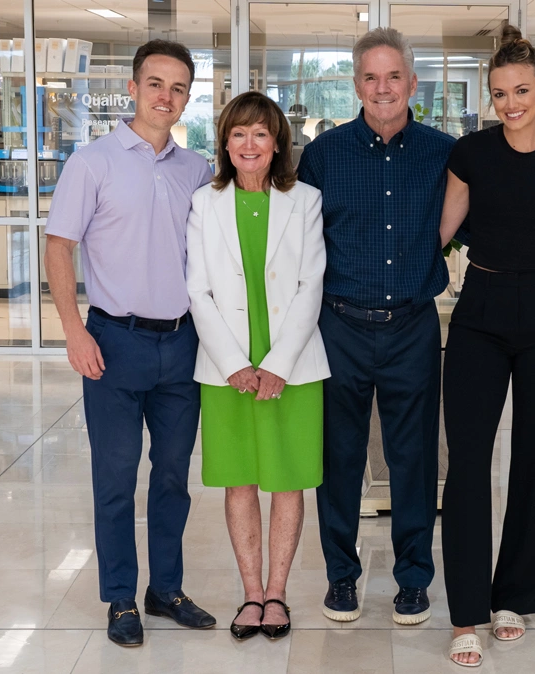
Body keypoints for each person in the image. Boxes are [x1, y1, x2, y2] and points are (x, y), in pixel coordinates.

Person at [43, 40, 216, 646]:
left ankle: (165, 589)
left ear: (187, 98)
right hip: (114, 341)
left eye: (178, 88)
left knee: (172, 477)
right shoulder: (92, 163)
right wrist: (73, 330)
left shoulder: (197, 170)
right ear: (133, 88)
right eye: (155, 84)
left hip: (182, 345)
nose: (165, 97)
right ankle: (120, 597)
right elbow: (59, 247)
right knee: (115, 478)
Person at [438, 25, 535, 667]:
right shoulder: (469, 154)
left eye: (522, 91)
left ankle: (514, 598)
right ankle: (466, 613)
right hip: (479, 312)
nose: (511, 104)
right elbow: (440, 233)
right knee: (468, 464)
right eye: (500, 93)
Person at [296, 27, 454, 625]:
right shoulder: (323, 155)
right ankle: (342, 577)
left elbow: (483, 222)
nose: (382, 88)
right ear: (356, 85)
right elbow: (296, 243)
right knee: (338, 458)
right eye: (370, 77)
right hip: (339, 326)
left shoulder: (443, 153)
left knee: (414, 459)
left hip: (413, 326)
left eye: (393, 77)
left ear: (411, 83)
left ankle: (413, 580)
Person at [185, 91, 329, 641]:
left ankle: (277, 594)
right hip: (226, 369)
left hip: (293, 365)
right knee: (239, 481)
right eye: (239, 133)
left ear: (277, 144)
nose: (250, 144)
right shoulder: (204, 203)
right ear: (225, 143)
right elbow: (197, 290)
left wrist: (277, 364)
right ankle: (250, 594)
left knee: (288, 482)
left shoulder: (305, 200)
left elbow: (310, 284)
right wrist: (233, 365)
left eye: (261, 134)